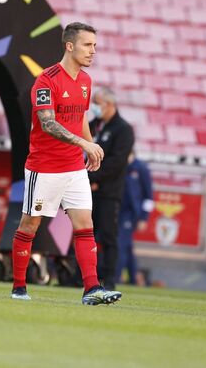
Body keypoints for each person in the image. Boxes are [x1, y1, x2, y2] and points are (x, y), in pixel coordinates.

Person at [9, 22, 122, 305]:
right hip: (44, 167)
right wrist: (85, 144)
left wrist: (90, 147)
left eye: (95, 46)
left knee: (85, 225)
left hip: (74, 167)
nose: (93, 51)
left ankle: (91, 288)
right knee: (29, 226)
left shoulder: (85, 81)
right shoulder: (46, 80)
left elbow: (80, 116)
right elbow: (48, 124)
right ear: (70, 46)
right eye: (87, 45)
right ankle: (19, 287)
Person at [88, 86, 135, 290]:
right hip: (88, 190)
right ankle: (82, 276)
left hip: (109, 192)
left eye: (97, 103)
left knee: (108, 236)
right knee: (85, 233)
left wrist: (92, 177)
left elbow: (116, 162)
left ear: (110, 104)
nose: (94, 107)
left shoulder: (123, 130)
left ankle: (109, 278)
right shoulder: (93, 126)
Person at [118, 153, 154, 285]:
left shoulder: (141, 168)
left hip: (131, 213)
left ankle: (115, 277)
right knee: (127, 246)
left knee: (120, 244)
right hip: (118, 211)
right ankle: (134, 277)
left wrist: (144, 217)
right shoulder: (120, 165)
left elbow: (149, 196)